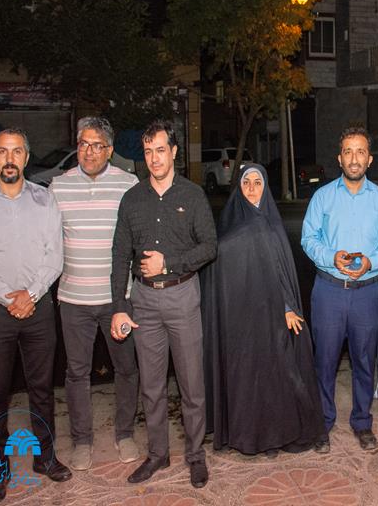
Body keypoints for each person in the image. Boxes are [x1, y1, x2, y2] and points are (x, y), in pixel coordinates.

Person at [0, 128, 71, 504]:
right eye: (3, 152)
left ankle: (46, 458)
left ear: (26, 157)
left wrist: (32, 294)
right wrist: (6, 297)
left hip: (38, 309)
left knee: (42, 390)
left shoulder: (45, 200)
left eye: (17, 152)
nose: (10, 159)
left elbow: (54, 255)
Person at [110, 121, 217, 487]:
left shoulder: (193, 195)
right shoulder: (132, 199)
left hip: (182, 296)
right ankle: (158, 454)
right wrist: (119, 305)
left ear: (173, 152)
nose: (154, 158)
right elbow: (120, 256)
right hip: (143, 301)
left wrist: (169, 264)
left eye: (160, 150)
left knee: (191, 385)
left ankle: (195, 455)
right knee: (151, 385)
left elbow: (209, 246)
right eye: (148, 152)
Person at [201, 164, 325, 456]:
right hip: (239, 316)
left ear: (266, 187)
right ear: (239, 188)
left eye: (258, 182)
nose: (252, 188)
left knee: (274, 376)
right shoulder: (230, 221)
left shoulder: (271, 224)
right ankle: (249, 436)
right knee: (245, 378)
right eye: (247, 183)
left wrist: (288, 307)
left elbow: (281, 272)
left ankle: (273, 437)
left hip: (272, 314)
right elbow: (217, 267)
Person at [301, 126, 378, 452]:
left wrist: (372, 261)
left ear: (369, 159)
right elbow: (308, 238)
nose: (354, 158)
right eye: (348, 152)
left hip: (367, 293)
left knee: (364, 362)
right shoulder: (323, 197)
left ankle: (362, 422)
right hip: (328, 292)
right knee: (324, 362)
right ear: (339, 158)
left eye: (360, 152)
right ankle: (323, 422)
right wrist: (331, 256)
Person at [50, 117, 140, 470]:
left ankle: (125, 433)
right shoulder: (58, 186)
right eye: (83, 144)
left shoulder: (128, 185)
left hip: (118, 301)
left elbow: (137, 240)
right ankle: (82, 440)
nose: (89, 152)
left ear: (110, 150)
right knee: (76, 372)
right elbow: (47, 242)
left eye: (97, 145)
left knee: (126, 368)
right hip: (74, 300)